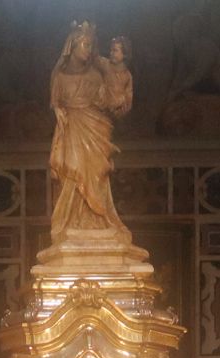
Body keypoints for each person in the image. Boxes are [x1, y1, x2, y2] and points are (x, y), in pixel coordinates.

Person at [47, 22, 131, 246]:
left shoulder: (96, 74)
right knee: (72, 172)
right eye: (84, 45)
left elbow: (108, 102)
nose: (88, 49)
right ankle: (72, 221)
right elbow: (55, 101)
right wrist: (58, 111)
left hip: (95, 128)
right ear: (72, 46)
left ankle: (96, 220)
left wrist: (118, 88)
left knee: (96, 173)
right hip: (72, 128)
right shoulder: (60, 76)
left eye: (90, 45)